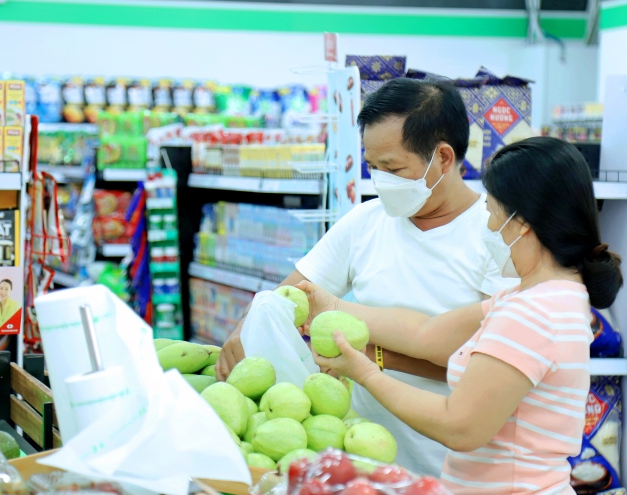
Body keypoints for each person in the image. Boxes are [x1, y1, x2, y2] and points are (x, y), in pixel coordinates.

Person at [215, 77, 517, 476]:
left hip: (455, 468)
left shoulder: (498, 234)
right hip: (363, 464)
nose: (381, 180)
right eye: (373, 166)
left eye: (392, 168)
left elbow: (487, 366)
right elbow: (291, 293)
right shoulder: (366, 221)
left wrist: (373, 361)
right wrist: (249, 325)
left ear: (443, 158)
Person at [299, 137, 624, 494]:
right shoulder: (549, 295)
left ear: (523, 222)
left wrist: (363, 373)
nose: (488, 227)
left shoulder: (531, 312)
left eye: (491, 212)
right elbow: (426, 333)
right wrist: (333, 307)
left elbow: (459, 426)